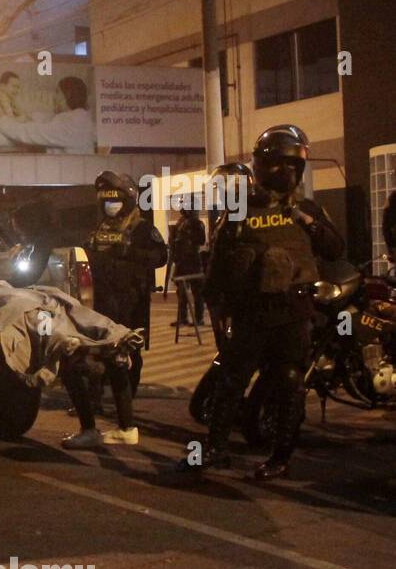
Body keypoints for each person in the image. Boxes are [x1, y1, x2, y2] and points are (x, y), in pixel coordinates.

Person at [179, 127, 344, 481]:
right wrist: (217, 308)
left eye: (293, 166)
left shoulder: (307, 209)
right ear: (264, 165)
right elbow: (220, 265)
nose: (288, 173)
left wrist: (308, 223)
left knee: (289, 381)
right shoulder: (240, 211)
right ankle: (216, 448)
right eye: (280, 164)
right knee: (232, 378)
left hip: (293, 310)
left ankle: (280, 457)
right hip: (251, 312)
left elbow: (334, 249)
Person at [63, 171, 168, 448]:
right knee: (98, 360)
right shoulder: (99, 229)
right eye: (105, 201)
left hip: (130, 305)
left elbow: (161, 256)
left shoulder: (141, 229)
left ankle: (122, 415)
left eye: (115, 200)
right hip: (101, 306)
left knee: (124, 359)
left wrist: (130, 252)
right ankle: (106, 413)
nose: (110, 205)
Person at [170, 206, 207, 326]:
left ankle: (199, 318)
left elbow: (201, 240)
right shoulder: (180, 222)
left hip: (193, 261)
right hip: (181, 262)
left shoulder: (197, 223)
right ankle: (182, 317)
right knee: (181, 293)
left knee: (197, 292)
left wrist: (189, 232)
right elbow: (176, 241)